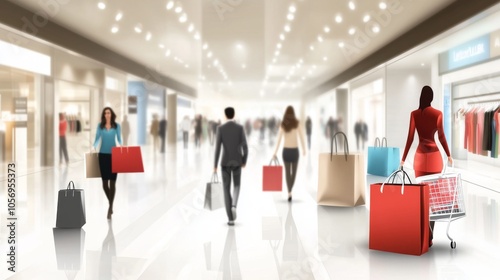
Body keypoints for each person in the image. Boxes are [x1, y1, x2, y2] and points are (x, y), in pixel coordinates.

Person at [400, 85, 453, 248]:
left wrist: (403, 159)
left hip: (420, 159)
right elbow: (442, 136)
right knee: (433, 199)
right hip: (435, 158)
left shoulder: (414, 114)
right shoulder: (438, 114)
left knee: (422, 197)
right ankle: (430, 236)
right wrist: (449, 154)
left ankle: (424, 235)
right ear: (431, 98)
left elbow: (410, 137)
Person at [214, 107, 248, 226]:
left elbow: (217, 148)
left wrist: (215, 165)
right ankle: (234, 205)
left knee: (226, 189)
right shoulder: (240, 128)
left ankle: (230, 219)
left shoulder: (220, 129)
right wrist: (244, 160)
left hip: (225, 163)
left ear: (225, 115)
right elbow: (245, 147)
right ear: (233, 115)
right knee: (237, 185)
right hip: (237, 162)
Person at [93, 107, 122, 220]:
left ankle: (110, 208)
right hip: (103, 155)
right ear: (103, 115)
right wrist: (93, 147)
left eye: (109, 112)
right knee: (105, 184)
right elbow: (97, 139)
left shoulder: (116, 126)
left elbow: (119, 139)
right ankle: (111, 203)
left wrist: (122, 146)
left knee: (113, 183)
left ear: (111, 114)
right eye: (105, 113)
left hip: (114, 155)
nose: (107, 114)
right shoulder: (100, 126)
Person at [272, 106, 306, 201]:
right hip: (295, 151)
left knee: (287, 172)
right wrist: (304, 149)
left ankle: (289, 192)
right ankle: (290, 190)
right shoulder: (297, 123)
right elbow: (301, 137)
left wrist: (275, 152)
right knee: (294, 173)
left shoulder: (284, 124)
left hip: (286, 151)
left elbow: (279, 139)